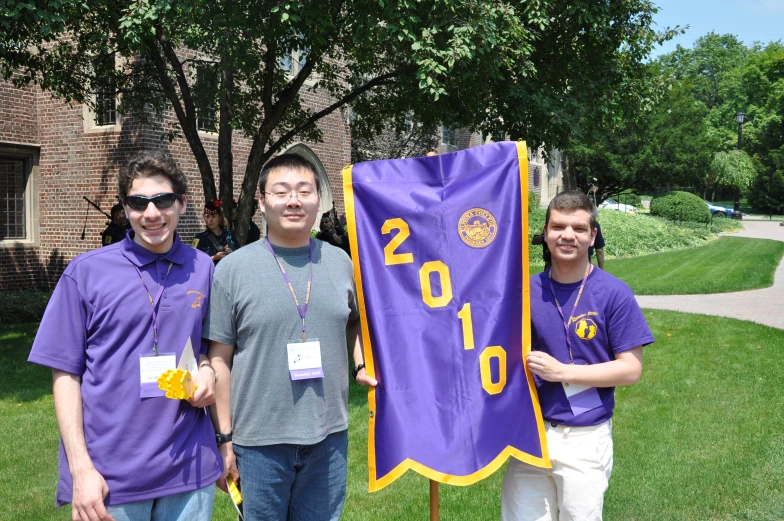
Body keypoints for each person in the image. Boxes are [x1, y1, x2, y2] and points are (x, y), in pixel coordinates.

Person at [28, 151, 222, 521]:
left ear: (182, 203)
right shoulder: (86, 273)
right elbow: (65, 375)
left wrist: (208, 371)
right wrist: (81, 469)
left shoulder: (203, 269)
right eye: (138, 203)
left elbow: (209, 349)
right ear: (125, 208)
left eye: (162, 200)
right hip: (110, 478)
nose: (151, 214)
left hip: (189, 469)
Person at [204, 153, 376, 521]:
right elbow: (219, 357)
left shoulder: (342, 262)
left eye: (305, 191)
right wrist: (225, 438)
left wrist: (359, 362)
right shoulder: (232, 270)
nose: (294, 200)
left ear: (318, 201)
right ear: (262, 202)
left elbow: (354, 321)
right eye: (281, 192)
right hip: (259, 443)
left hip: (329, 438)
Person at [502, 190, 654, 521]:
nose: (568, 235)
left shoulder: (614, 293)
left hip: (584, 438)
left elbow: (631, 370)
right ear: (545, 233)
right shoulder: (525, 292)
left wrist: (563, 372)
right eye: (558, 227)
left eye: (579, 228)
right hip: (529, 435)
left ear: (592, 235)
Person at [192, 199, 239, 264]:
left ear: (219, 217)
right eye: (207, 216)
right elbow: (194, 261)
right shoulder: (199, 238)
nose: (210, 220)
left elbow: (239, 257)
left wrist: (231, 252)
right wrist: (214, 257)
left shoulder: (229, 236)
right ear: (203, 217)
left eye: (213, 216)